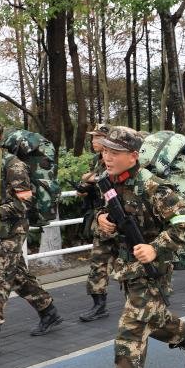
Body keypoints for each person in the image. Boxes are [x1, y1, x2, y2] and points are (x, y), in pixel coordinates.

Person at [88, 126, 185, 368]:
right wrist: (104, 221)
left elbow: (183, 224)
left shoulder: (155, 188)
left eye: (114, 153)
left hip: (154, 271)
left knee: (130, 328)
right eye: (104, 151)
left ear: (133, 156)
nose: (107, 156)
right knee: (151, 321)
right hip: (127, 269)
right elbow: (107, 216)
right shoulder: (109, 182)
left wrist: (156, 248)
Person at [0, 118, 63, 363]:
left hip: (12, 232)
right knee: (19, 277)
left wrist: (0, 212)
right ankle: (49, 312)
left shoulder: (13, 164)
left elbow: (25, 200)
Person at [78, 123, 115, 322]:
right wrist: (84, 185)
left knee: (135, 262)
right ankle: (99, 305)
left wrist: (90, 178)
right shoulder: (96, 160)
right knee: (98, 262)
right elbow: (92, 184)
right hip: (102, 218)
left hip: (121, 218)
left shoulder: (117, 159)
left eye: (98, 137)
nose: (94, 141)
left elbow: (105, 178)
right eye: (93, 138)